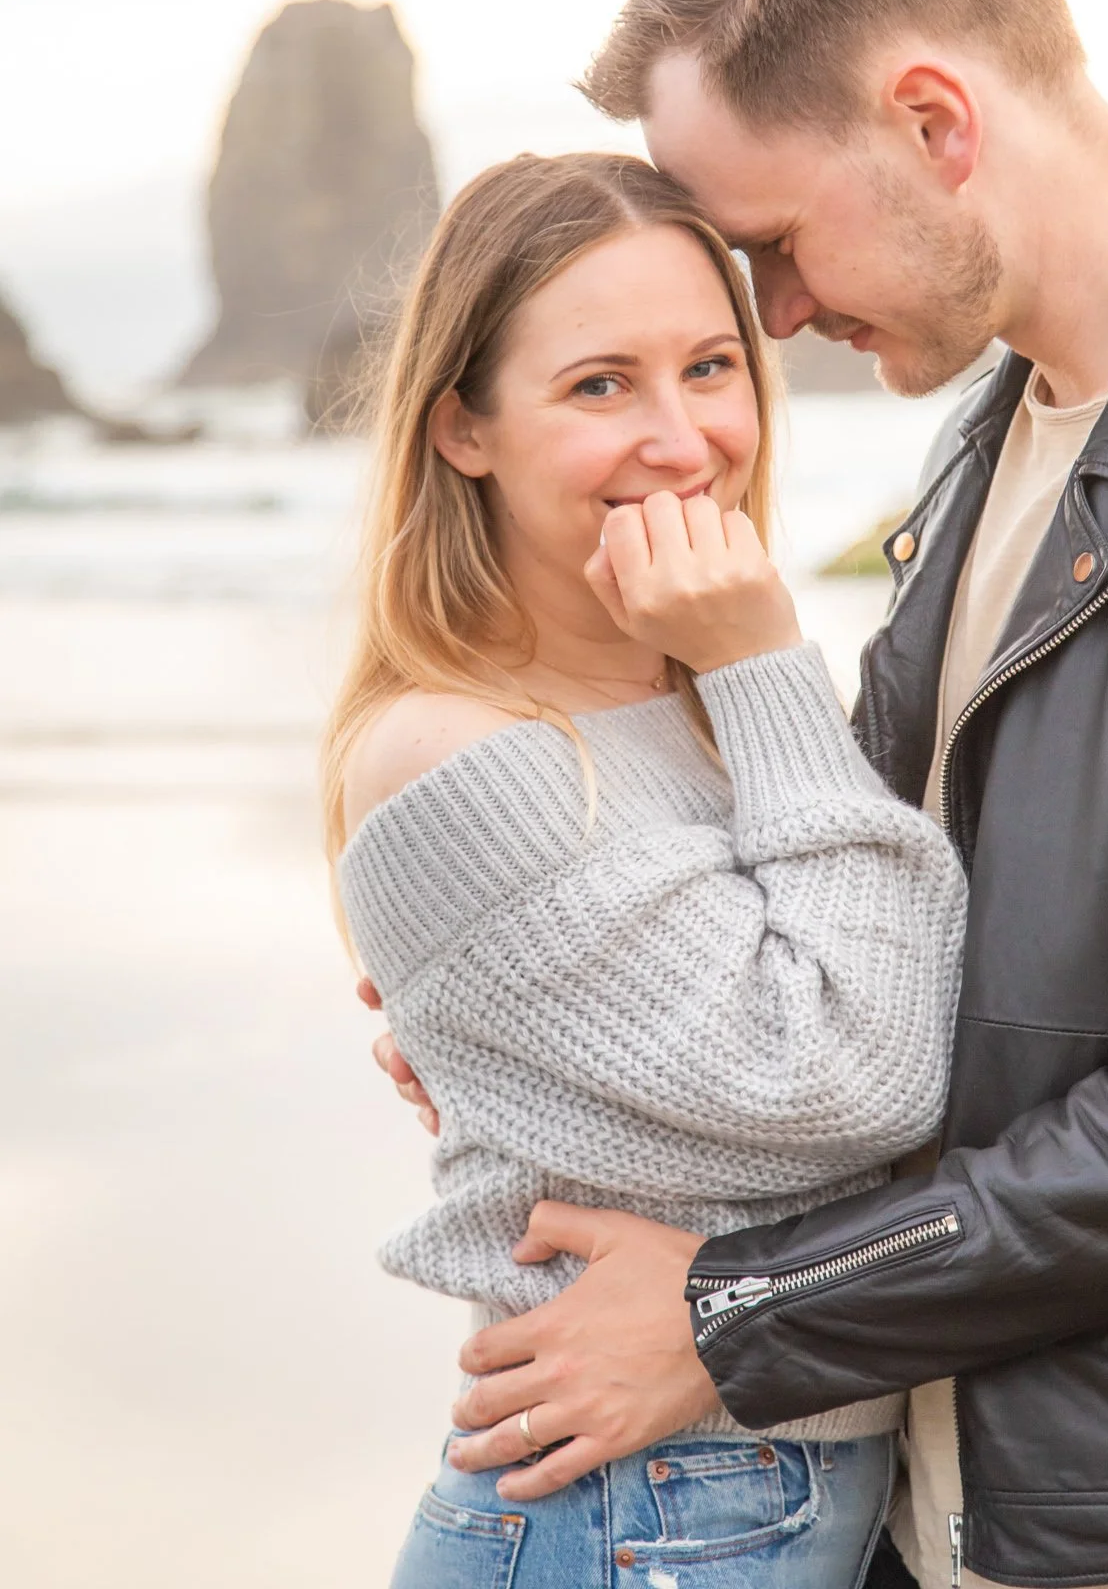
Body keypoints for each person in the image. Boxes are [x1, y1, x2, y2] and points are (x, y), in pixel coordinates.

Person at [371, 0, 1108, 1588]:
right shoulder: (990, 440)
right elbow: (873, 913)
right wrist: (573, 1049)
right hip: (931, 1488)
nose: (784, 321)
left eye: (775, 249)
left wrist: (738, 1319)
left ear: (935, 125)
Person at [326, 149, 969, 1588]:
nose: (682, 440)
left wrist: (749, 683)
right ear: (463, 430)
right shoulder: (453, 746)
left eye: (710, 368)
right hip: (631, 1513)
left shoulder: (712, 721)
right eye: (599, 386)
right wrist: (764, 658)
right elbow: (861, 1071)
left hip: (745, 1491)